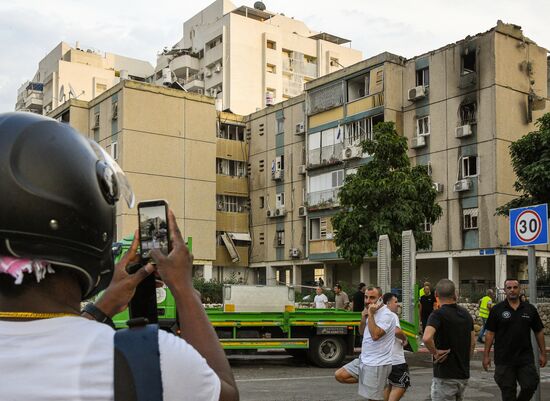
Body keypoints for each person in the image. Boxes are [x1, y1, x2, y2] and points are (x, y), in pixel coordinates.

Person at [0, 112, 239, 401]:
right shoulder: (151, 360)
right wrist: (185, 290)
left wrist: (104, 306)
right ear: (92, 219)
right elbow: (225, 391)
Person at [482, 278, 547, 401]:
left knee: (530, 385)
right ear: (505, 290)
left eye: (515, 287)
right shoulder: (497, 310)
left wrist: (543, 353)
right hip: (504, 359)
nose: (512, 290)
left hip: (525, 358)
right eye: (509, 288)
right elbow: (490, 333)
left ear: (520, 289)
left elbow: (539, 331)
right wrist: (486, 355)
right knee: (508, 393)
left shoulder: (529, 309)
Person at [423, 279, 475, 401]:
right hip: (462, 374)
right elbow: (472, 343)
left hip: (445, 375)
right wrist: (464, 361)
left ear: (436, 294)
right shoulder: (466, 314)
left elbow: (426, 337)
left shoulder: (437, 314)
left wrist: (435, 353)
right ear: (455, 294)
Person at [383, 292, 411, 401]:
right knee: (402, 384)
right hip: (396, 361)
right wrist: (404, 338)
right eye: (395, 302)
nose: (398, 304)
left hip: (384, 360)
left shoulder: (379, 315)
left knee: (390, 385)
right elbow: (396, 331)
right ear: (388, 303)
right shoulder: (392, 315)